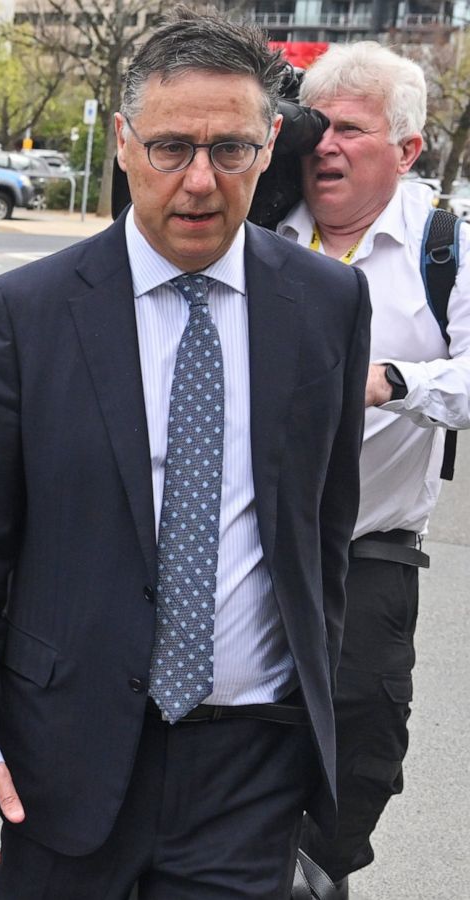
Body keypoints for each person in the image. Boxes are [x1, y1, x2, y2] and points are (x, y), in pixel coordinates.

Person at [0, 10, 370, 897]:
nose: (200, 181)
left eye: (232, 150)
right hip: (61, 757)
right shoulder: (28, 312)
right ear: (124, 143)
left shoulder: (328, 304)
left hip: (250, 766)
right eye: (171, 148)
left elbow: (323, 530)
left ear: (271, 142)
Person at [275, 42, 470, 896]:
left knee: (363, 741)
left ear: (407, 149)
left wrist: (391, 380)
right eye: (316, 126)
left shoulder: (445, 247)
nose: (325, 146)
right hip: (247, 538)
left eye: (350, 130)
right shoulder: (257, 226)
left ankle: (321, 869)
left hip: (371, 549)